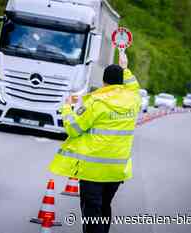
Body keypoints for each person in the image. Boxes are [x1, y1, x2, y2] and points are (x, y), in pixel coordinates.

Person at [49, 53, 140, 233]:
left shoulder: (95, 102)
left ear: (104, 82)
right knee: (105, 206)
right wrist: (125, 67)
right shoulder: (133, 100)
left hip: (93, 169)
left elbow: (73, 128)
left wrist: (67, 107)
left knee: (92, 211)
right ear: (121, 82)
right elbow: (134, 87)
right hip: (117, 169)